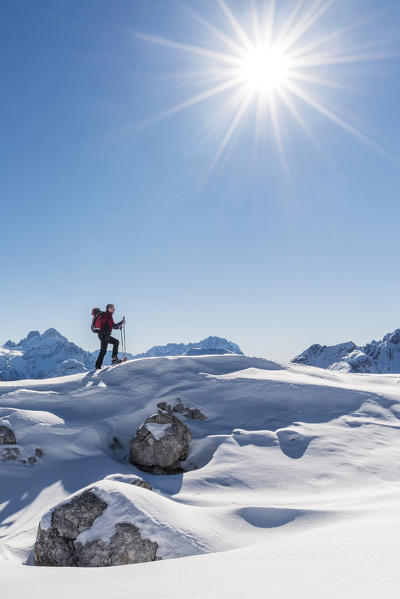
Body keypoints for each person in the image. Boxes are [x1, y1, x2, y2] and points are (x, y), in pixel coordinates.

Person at [95, 304, 126, 370]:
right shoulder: (108, 315)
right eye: (113, 308)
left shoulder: (107, 315)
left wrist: (118, 327)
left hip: (104, 335)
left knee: (116, 342)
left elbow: (110, 326)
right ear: (109, 308)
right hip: (104, 335)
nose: (114, 310)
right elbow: (113, 325)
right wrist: (121, 322)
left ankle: (114, 359)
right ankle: (98, 366)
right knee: (103, 351)